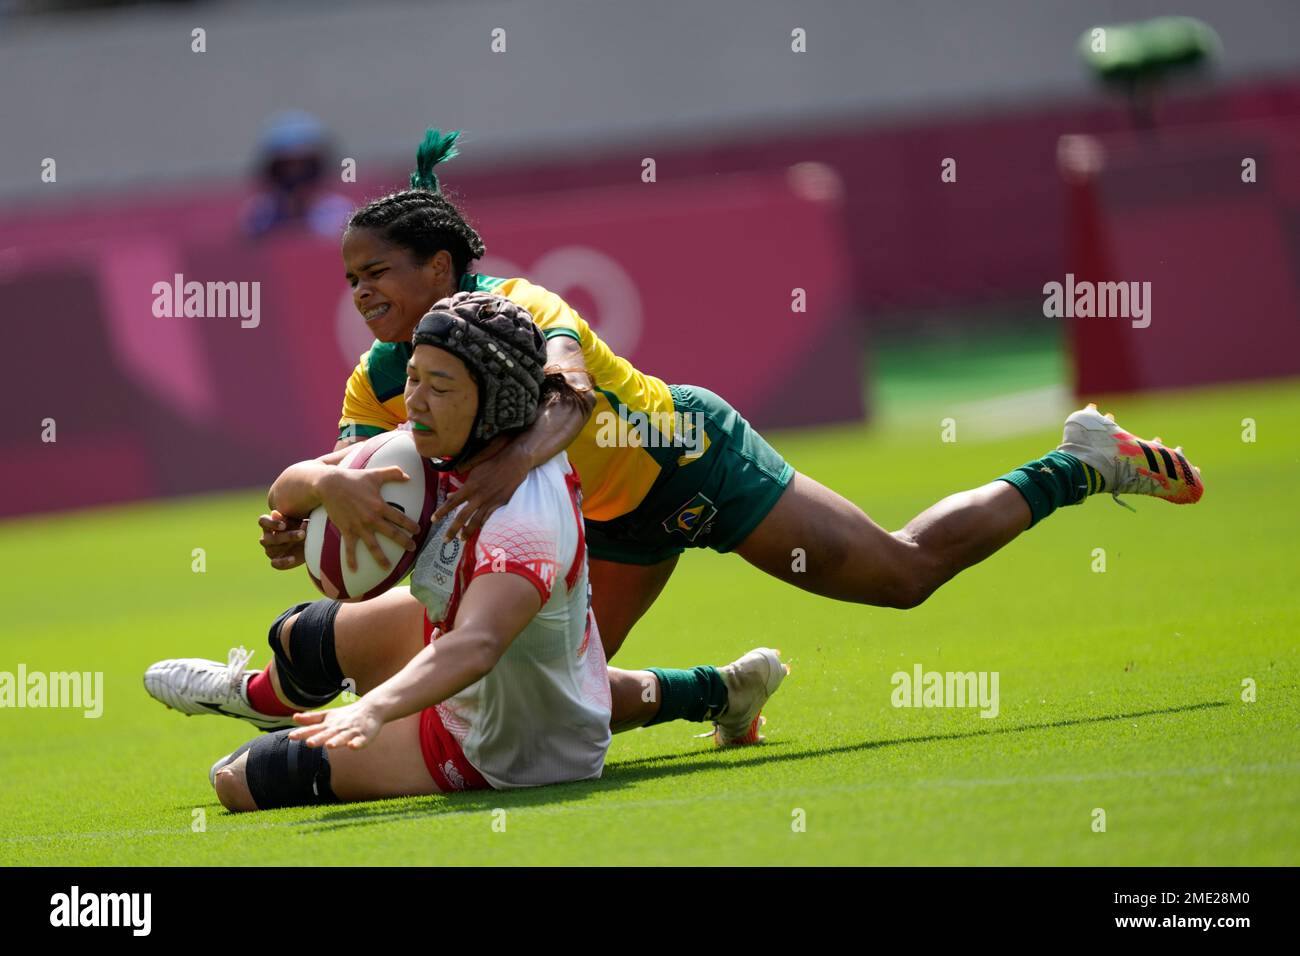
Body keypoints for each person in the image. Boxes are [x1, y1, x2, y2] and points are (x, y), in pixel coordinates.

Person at [254, 127, 1204, 736]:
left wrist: (501, 477)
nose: (363, 292)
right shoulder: (380, 377)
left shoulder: (522, 303)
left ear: (442, 263)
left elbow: (572, 399)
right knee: (560, 711)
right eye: (350, 281)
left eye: (378, 270)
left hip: (688, 461)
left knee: (904, 576)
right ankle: (727, 692)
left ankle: (1076, 466)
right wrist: (303, 512)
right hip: (605, 531)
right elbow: (361, 473)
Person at [150, 292, 784, 811]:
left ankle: (713, 689)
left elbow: (476, 647)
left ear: (495, 400)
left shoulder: (524, 517)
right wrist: (326, 483)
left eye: (440, 386)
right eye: (415, 378)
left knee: (234, 779)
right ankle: (257, 696)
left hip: (505, 749)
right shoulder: (437, 444)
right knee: (302, 633)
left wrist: (373, 708)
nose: (416, 399)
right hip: (511, 668)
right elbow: (287, 487)